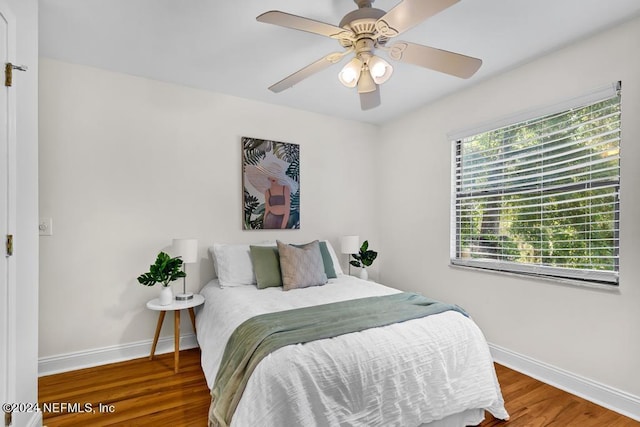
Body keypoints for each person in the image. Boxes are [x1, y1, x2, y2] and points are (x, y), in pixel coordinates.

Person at [245, 154, 299, 229]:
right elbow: (267, 209)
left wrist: (283, 226)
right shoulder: (268, 191)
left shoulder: (285, 189)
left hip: (282, 219)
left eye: (275, 175)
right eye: (271, 176)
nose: (272, 178)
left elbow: (287, 209)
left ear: (278, 177)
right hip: (270, 219)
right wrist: (264, 224)